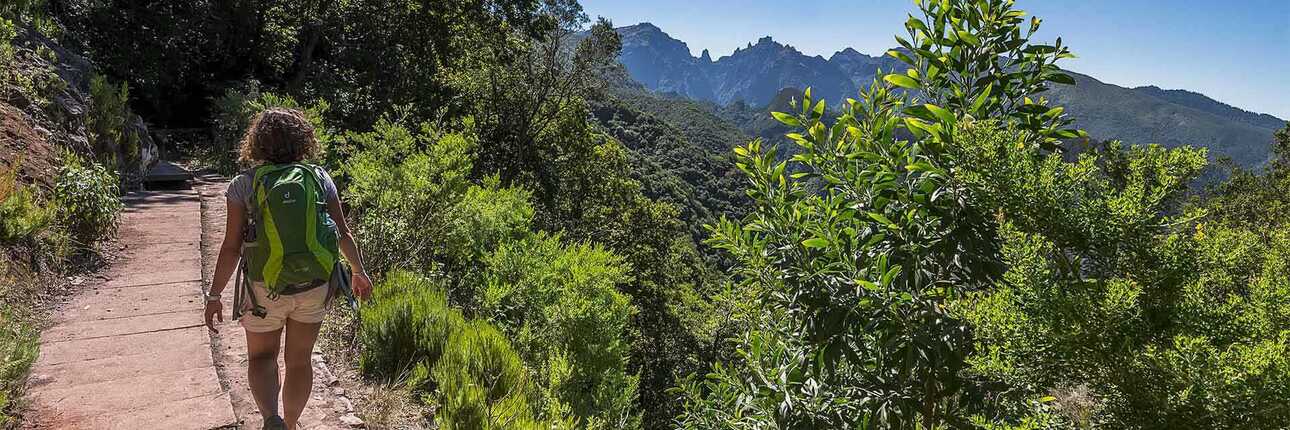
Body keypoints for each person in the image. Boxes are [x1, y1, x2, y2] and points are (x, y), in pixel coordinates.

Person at [203, 108, 373, 430]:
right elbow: (343, 232)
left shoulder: (244, 185)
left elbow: (230, 247)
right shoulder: (319, 177)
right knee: (299, 360)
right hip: (314, 285)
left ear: (256, 143)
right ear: (303, 140)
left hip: (263, 287)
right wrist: (359, 272)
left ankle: (272, 419)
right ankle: (292, 424)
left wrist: (214, 295)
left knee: (261, 358)